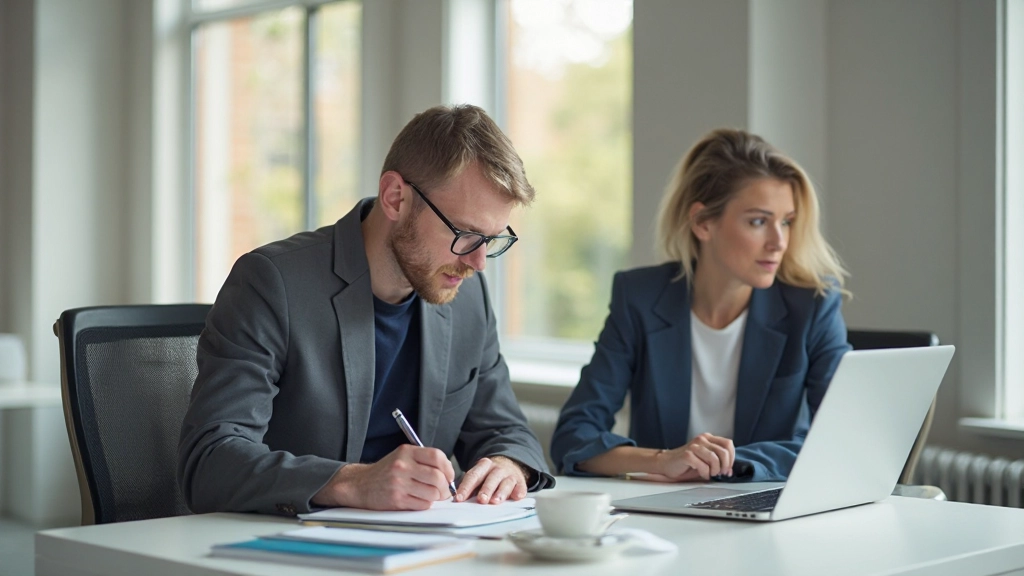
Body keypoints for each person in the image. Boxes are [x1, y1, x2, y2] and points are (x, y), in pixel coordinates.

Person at [178, 104, 555, 516]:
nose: (478, 262)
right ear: (396, 198)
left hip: (423, 542)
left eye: (493, 240)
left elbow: (505, 429)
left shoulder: (466, 294)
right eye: (465, 234)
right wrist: (353, 482)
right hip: (288, 540)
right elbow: (210, 462)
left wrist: (507, 464)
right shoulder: (272, 283)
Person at [550, 128, 850, 482]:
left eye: (786, 222)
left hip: (763, 503)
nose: (779, 241)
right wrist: (663, 460)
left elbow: (843, 439)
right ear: (703, 223)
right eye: (758, 221)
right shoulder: (640, 298)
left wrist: (719, 464)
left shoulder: (812, 307)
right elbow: (574, 437)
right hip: (660, 505)